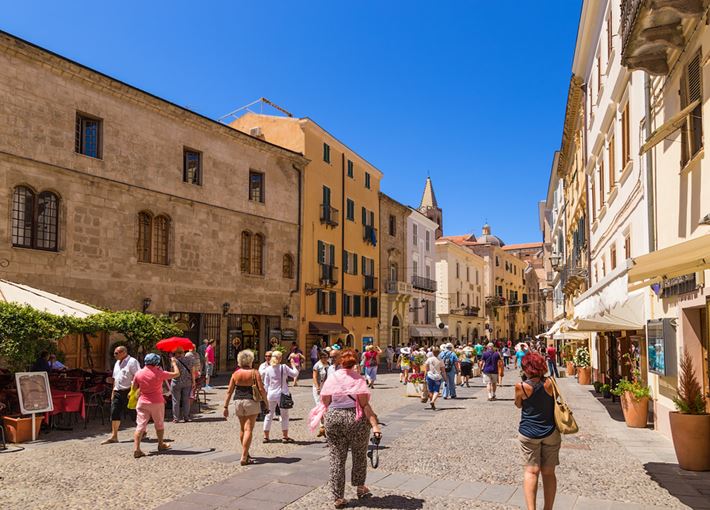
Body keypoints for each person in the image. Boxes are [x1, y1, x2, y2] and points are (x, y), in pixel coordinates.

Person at [308, 349, 382, 509]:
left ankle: (338, 497)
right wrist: (375, 425)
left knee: (336, 458)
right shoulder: (358, 379)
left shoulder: (331, 378)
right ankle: (360, 488)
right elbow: (364, 405)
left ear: (340, 362)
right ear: (355, 363)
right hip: (355, 419)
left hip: (334, 419)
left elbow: (325, 402)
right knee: (359, 455)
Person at [514, 352, 561, 510]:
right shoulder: (550, 382)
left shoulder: (521, 386)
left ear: (526, 368)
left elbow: (518, 404)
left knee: (531, 471)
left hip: (528, 433)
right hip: (550, 432)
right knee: (548, 473)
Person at [223, 349, 267, 465]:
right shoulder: (254, 372)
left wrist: (225, 406)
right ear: (250, 360)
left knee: (242, 428)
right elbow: (261, 389)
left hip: (238, 401)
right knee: (249, 429)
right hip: (250, 401)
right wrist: (266, 403)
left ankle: (246, 453)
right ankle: (244, 456)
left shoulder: (236, 374)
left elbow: (229, 391)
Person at [131, 353, 180, 458]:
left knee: (140, 425)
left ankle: (137, 449)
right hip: (156, 402)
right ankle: (160, 444)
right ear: (156, 362)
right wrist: (174, 363)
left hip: (142, 402)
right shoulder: (159, 373)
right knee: (159, 424)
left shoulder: (138, 373)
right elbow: (176, 374)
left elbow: (134, 387)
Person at [102, 345, 141, 444]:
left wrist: (135, 392)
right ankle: (114, 436)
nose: (114, 355)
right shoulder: (117, 363)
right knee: (114, 412)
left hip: (129, 391)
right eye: (114, 353)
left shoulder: (132, 362)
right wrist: (113, 391)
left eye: (116, 353)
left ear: (123, 352)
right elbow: (115, 378)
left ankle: (142, 431)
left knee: (133, 413)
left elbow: (139, 377)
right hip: (118, 391)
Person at [262, 350, 298, 443]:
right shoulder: (283, 367)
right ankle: (285, 437)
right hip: (282, 395)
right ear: (280, 358)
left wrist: (265, 396)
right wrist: (293, 365)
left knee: (268, 415)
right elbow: (295, 374)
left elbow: (266, 385)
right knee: (284, 416)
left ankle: (266, 437)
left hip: (271, 394)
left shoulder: (268, 369)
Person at [171, 347, 196, 423]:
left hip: (176, 382)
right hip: (187, 382)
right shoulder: (189, 359)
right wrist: (194, 381)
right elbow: (192, 371)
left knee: (176, 400)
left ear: (176, 353)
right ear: (183, 352)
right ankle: (186, 417)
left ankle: (176, 418)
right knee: (186, 400)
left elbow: (172, 371)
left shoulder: (174, 360)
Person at [312, 349, 330, 437]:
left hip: (328, 389)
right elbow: (314, 377)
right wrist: (317, 387)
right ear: (320, 357)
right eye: (323, 357)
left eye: (326, 357)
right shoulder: (317, 365)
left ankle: (325, 426)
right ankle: (322, 426)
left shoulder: (329, 365)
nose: (325, 359)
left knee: (327, 407)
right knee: (320, 406)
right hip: (319, 388)